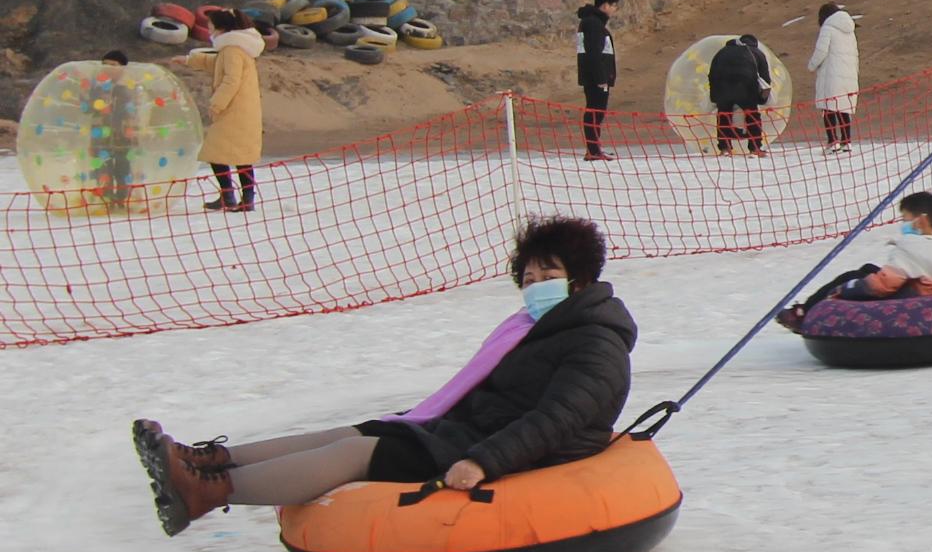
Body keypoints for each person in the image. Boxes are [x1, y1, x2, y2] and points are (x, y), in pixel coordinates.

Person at [130, 217, 638, 536]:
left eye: (548, 276)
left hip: (507, 449)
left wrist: (483, 461)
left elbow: (557, 418)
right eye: (528, 279)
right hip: (469, 429)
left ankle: (207, 492)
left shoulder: (595, 341)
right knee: (354, 433)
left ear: (580, 279)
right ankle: (206, 462)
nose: (535, 287)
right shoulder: (536, 328)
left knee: (356, 453)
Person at [775, 192, 932, 328]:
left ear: (921, 220)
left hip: (916, 296)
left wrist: (844, 290)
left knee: (855, 275)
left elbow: (883, 285)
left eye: (906, 219)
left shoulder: (911, 248)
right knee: (869, 267)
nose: (904, 224)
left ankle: (804, 313)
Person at [177, 15, 266, 212]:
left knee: (219, 153)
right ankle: (238, 196)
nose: (208, 29)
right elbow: (217, 64)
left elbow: (231, 80)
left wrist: (216, 104)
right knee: (238, 155)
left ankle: (234, 196)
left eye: (210, 25)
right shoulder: (234, 48)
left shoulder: (232, 49)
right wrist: (189, 60)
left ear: (221, 27)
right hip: (242, 110)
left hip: (233, 111)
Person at [706, 31, 771, 155]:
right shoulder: (757, 53)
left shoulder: (721, 52)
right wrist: (760, 100)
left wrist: (715, 97)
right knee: (752, 115)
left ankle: (725, 148)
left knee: (724, 115)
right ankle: (755, 148)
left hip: (723, 86)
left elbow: (712, 75)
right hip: (745, 86)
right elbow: (765, 81)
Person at [808, 1, 859, 153]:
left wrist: (811, 65)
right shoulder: (850, 30)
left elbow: (821, 51)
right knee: (843, 108)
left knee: (828, 107)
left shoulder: (827, 28)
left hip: (831, 74)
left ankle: (832, 141)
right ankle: (846, 141)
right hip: (849, 74)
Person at [576, 0, 621, 160]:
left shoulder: (593, 23)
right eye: (613, 5)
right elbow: (594, 53)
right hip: (596, 79)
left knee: (597, 112)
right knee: (595, 112)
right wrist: (601, 78)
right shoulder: (593, 24)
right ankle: (593, 150)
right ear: (605, 5)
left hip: (595, 77)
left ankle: (594, 148)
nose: (614, 9)